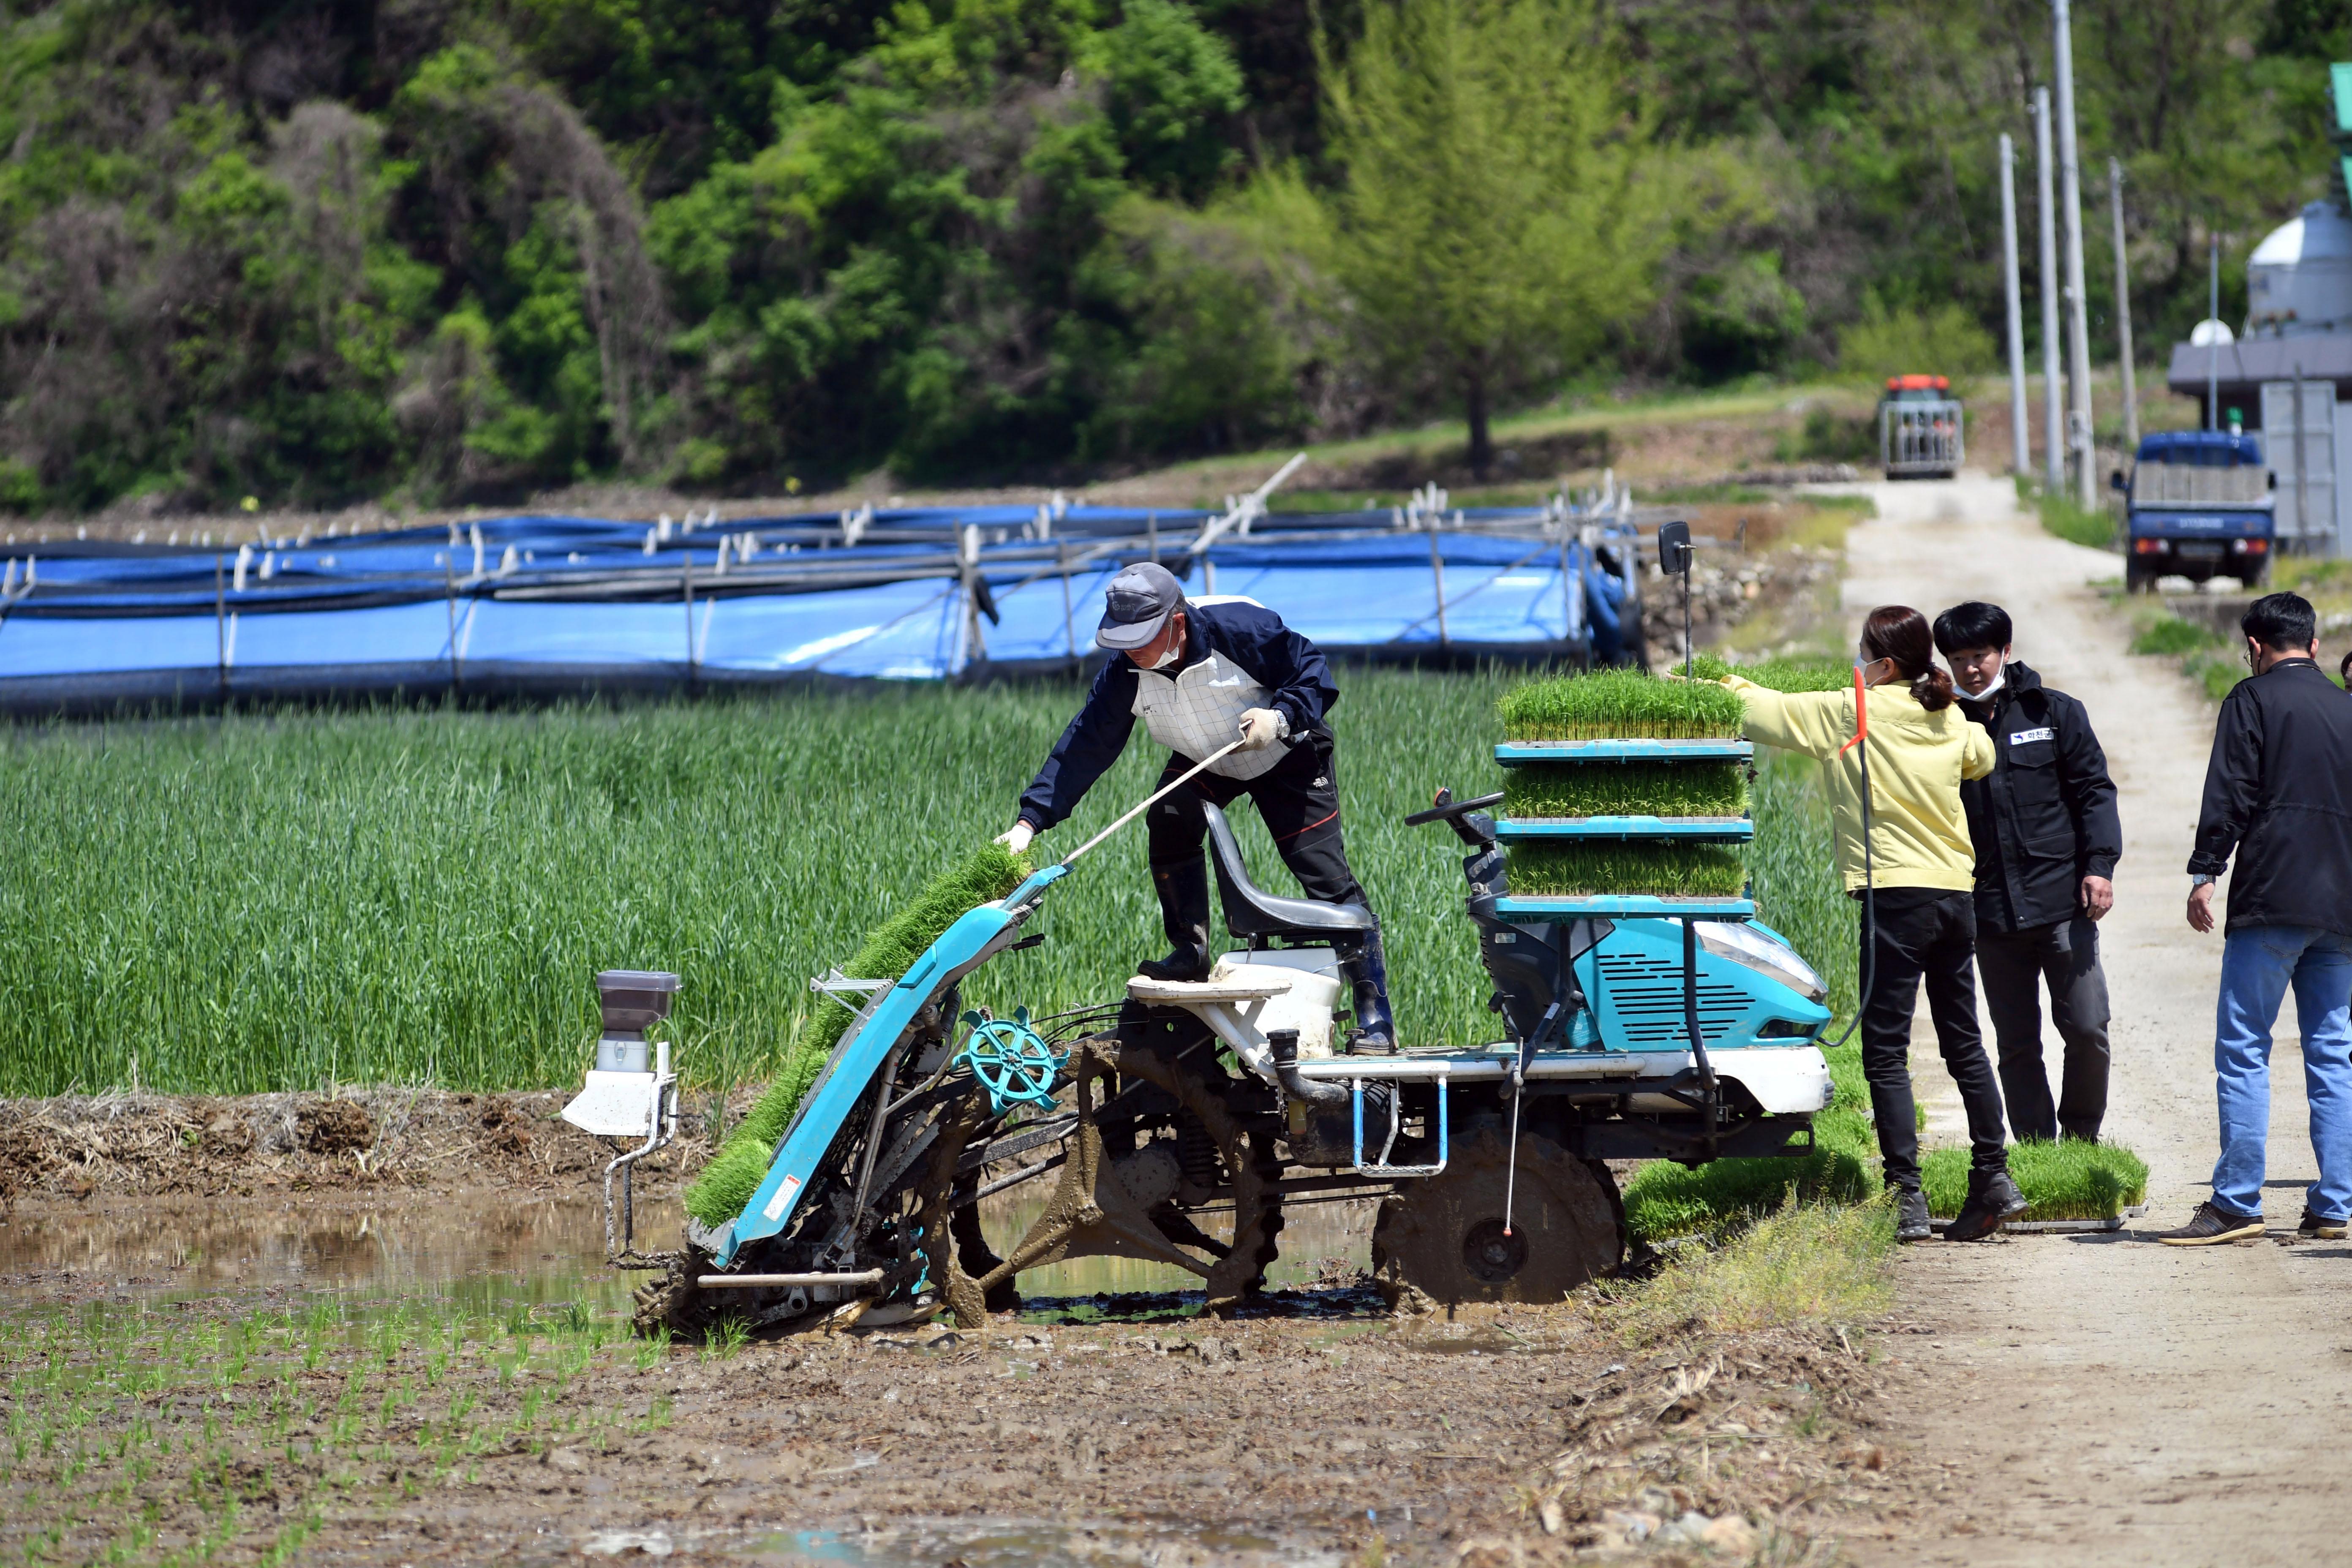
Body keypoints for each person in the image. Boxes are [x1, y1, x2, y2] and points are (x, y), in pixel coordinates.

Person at [1712, 606, 2025, 1243]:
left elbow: (1756, 710)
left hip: (1896, 900)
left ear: (1882, 664)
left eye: (1862, 653)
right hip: (1953, 900)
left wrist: (1702, 682)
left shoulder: (1851, 711)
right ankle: (1994, 1174)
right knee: (1965, 1043)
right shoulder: (1949, 715)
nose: (1855, 663)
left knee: (1886, 1052)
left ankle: (1906, 1196)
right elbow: (1983, 757)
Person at [996, 562, 1395, 1051]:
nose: (1130, 651)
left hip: (1286, 752)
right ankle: (1190, 950)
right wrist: (1028, 823)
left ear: (1177, 622)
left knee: (1322, 873)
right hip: (1205, 757)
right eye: (1121, 639)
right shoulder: (1127, 671)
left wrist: (1280, 717)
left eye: (1140, 637)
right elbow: (1085, 745)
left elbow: (1313, 672)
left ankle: (1376, 1016)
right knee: (1168, 817)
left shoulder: (1241, 629)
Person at [2157, 592, 2352, 1245]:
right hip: (2342, 908)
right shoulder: (2347, 708)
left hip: (2272, 899)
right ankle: (2335, 1205)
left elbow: (2231, 789)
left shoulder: (2252, 698)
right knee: (2333, 1054)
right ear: (2316, 646)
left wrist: (2205, 872)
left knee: (2244, 1049)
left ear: (2255, 648)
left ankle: (2237, 1202)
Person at [1932, 602, 2121, 1143]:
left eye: (1982, 655)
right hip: (1990, 913)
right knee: (2016, 1043)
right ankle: (2038, 1147)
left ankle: (2082, 1137)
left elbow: (2094, 793)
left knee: (2087, 1029)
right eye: (1959, 657)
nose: (1972, 668)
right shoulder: (1943, 727)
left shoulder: (2054, 713)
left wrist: (2100, 867)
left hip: (2064, 902)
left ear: (2006, 652)